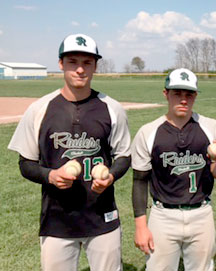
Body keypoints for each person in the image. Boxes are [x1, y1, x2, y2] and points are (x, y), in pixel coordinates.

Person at [7, 33, 131, 271]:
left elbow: (124, 156)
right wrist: (50, 176)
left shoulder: (113, 108)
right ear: (61, 64)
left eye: (87, 63)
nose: (80, 70)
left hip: (102, 218)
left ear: (95, 66)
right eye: (73, 62)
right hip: (57, 220)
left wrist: (111, 176)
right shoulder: (39, 109)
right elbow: (25, 163)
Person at [131, 68, 216, 271]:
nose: (183, 100)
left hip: (201, 214)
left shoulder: (211, 127)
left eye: (189, 94)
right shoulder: (149, 132)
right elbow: (139, 180)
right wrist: (141, 226)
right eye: (177, 93)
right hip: (163, 216)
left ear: (195, 95)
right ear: (166, 94)